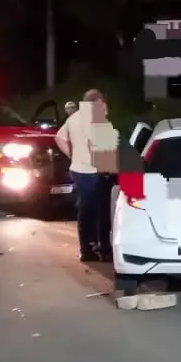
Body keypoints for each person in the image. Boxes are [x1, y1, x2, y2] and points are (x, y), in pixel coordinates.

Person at [54, 88, 113, 263]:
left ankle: (86, 250)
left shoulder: (73, 118)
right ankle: (104, 249)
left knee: (85, 210)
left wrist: (71, 154)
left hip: (78, 170)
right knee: (101, 212)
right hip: (95, 171)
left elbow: (59, 137)